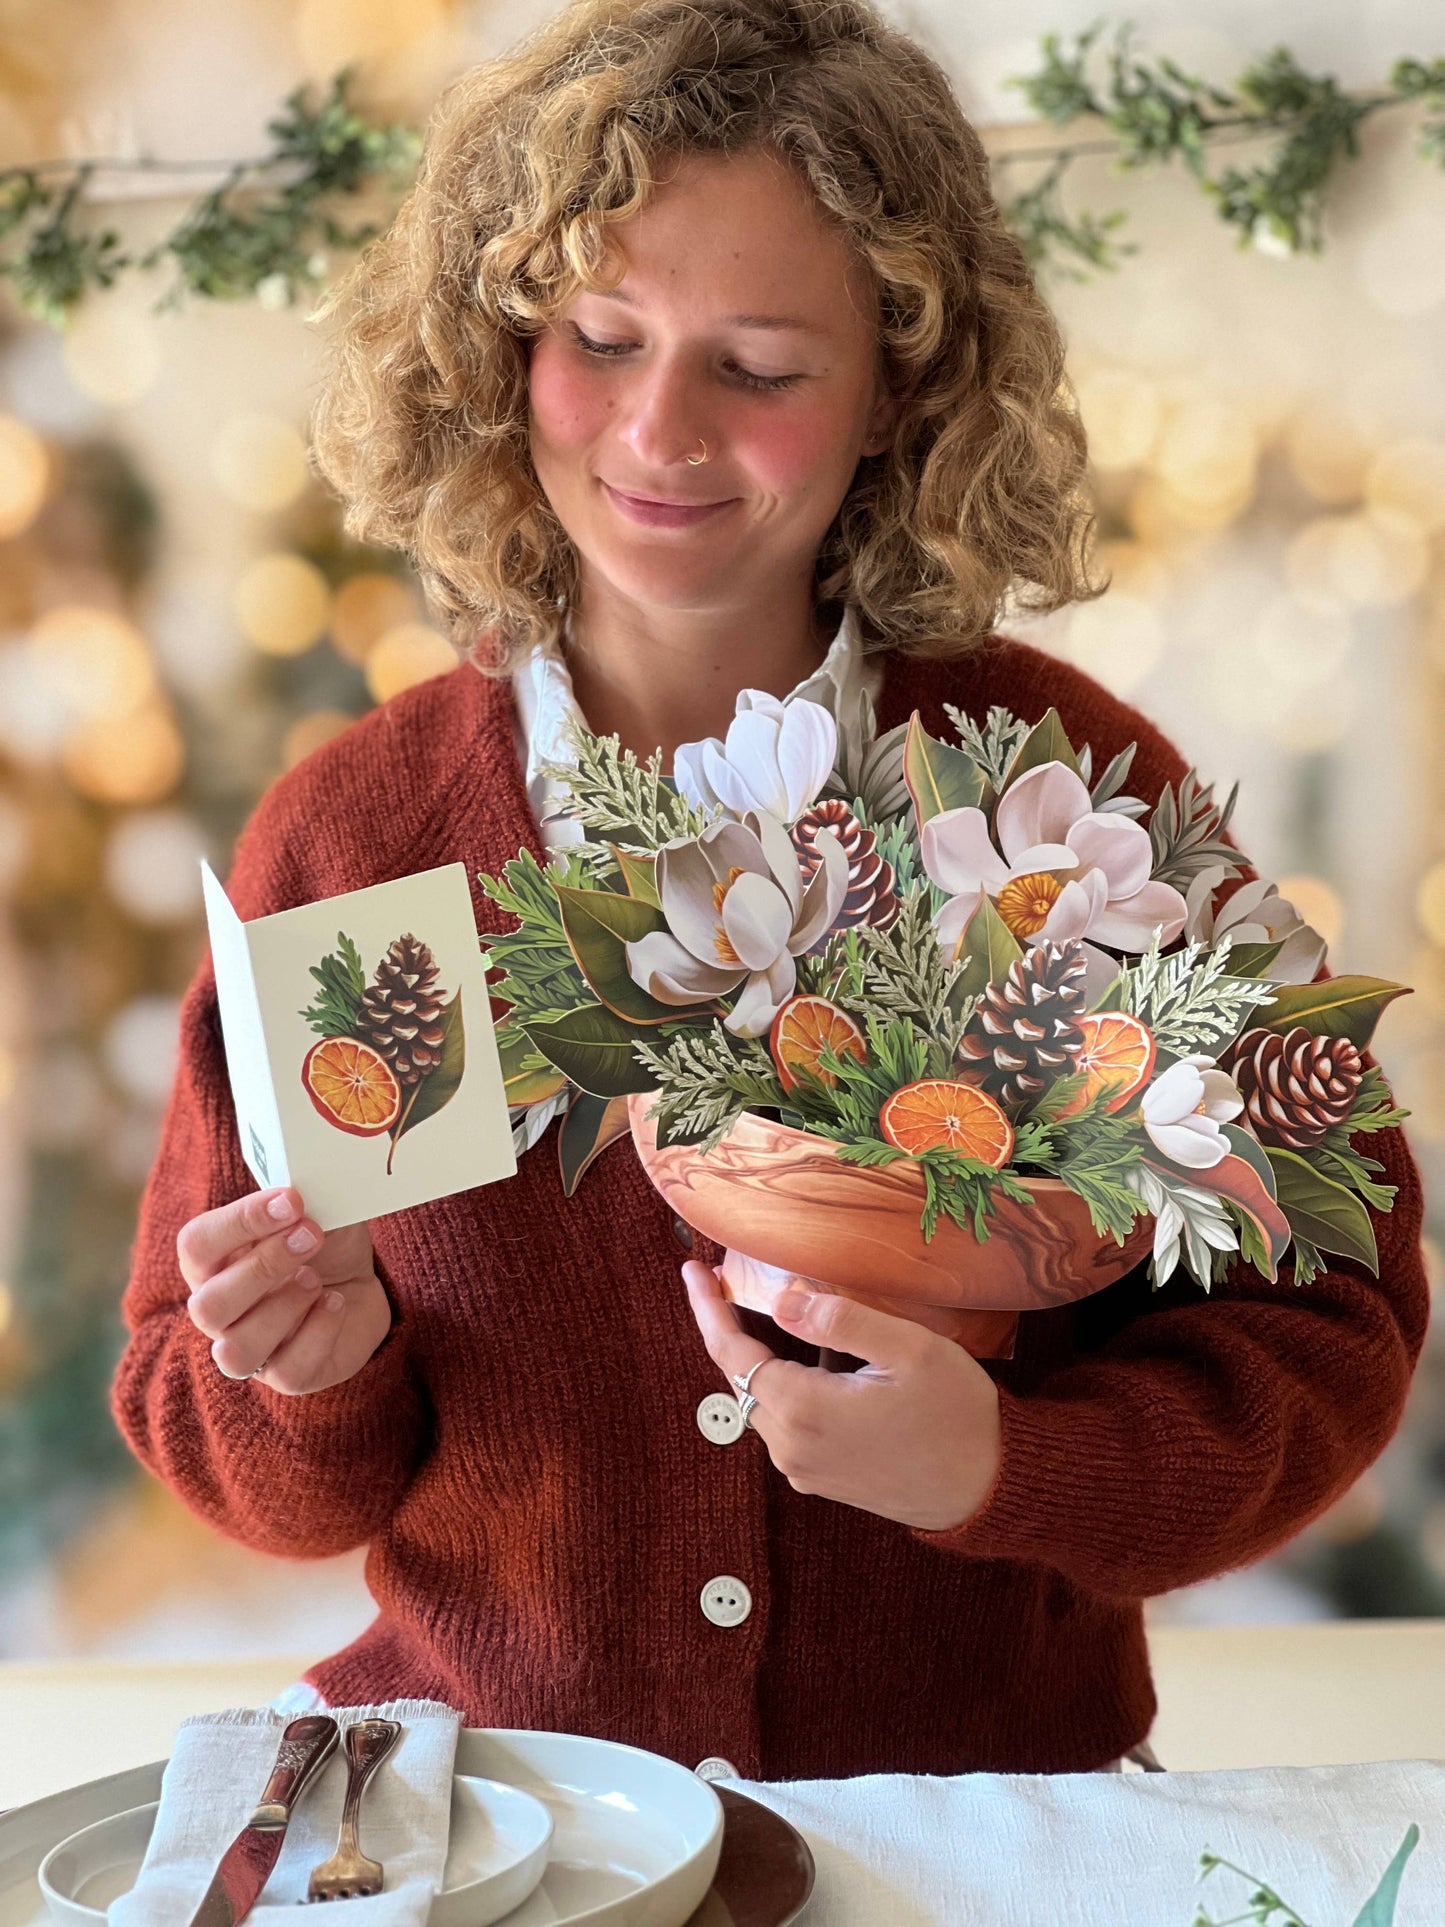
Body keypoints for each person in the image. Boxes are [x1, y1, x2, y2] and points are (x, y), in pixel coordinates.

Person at [112, 0, 1427, 1780]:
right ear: (501, 343)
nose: (657, 432)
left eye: (757, 363)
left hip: (983, 1828)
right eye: (599, 335)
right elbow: (224, 1440)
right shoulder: (352, 846)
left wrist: (1005, 1466)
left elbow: (1324, 1315)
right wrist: (305, 1368)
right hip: (509, 1835)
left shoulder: (1067, 805)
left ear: (898, 386)